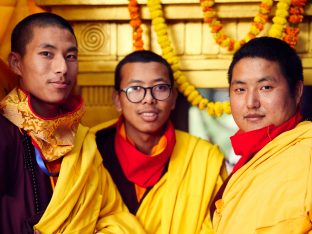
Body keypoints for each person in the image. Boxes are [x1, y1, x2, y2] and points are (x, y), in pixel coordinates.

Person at [0, 12, 145, 234]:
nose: (62, 68)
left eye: (70, 56)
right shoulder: (5, 131)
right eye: (47, 54)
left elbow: (114, 216)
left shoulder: (81, 140)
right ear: (16, 64)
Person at [90, 50, 227, 233]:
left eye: (160, 88)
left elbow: (217, 225)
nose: (149, 99)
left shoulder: (203, 158)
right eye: (135, 89)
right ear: (117, 100)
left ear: (173, 99)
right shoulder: (92, 150)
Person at [212, 37, 312, 233]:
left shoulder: (306, 152)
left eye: (265, 87)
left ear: (297, 91)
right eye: (240, 89)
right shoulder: (251, 160)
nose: (251, 102)